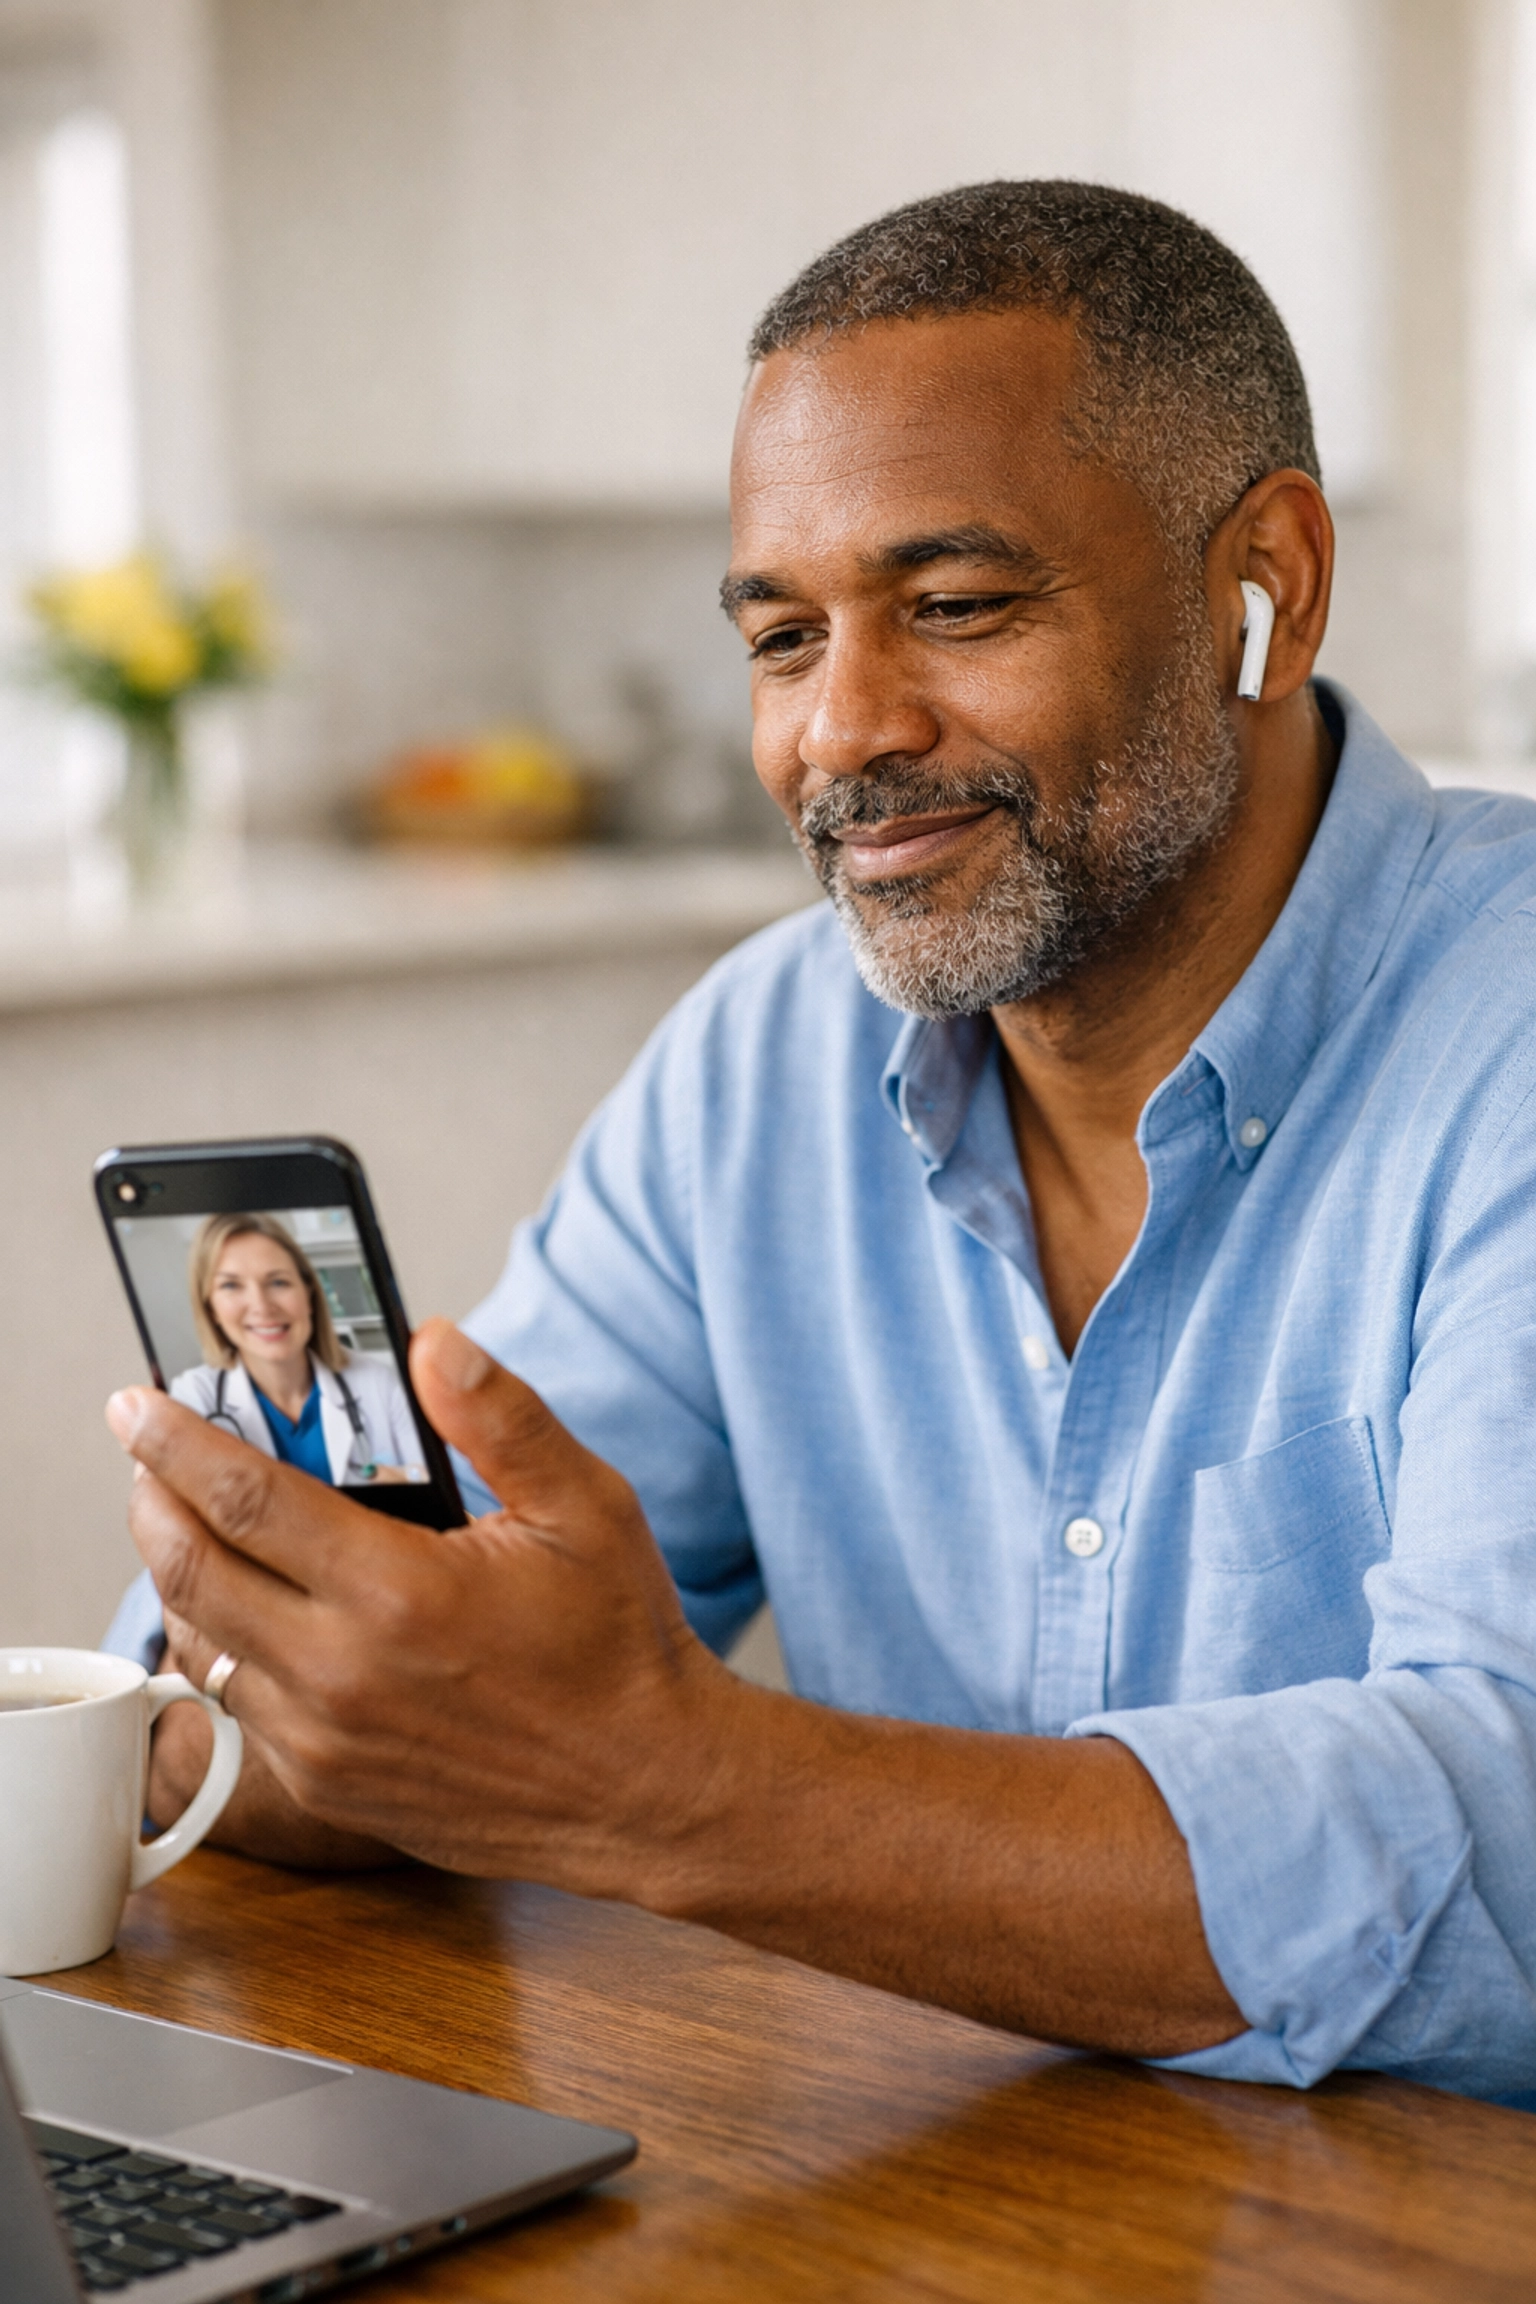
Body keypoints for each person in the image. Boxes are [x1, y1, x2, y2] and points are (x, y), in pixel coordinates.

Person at [105, 181, 1536, 2102]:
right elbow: (430, 1674)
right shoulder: (758, 1063)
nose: (842, 729)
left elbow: (1500, 1832)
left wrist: (666, 1780)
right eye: (783, 636)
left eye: (955, 606)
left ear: (1262, 580)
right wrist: (295, 1677)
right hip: (963, 2183)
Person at [168, 1213, 425, 1488]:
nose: (262, 1306)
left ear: (309, 1294)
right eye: (231, 1285)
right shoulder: (194, 1399)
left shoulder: (378, 1382)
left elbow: (433, 1479)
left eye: (278, 1282)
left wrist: (407, 1477)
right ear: (211, 1309)